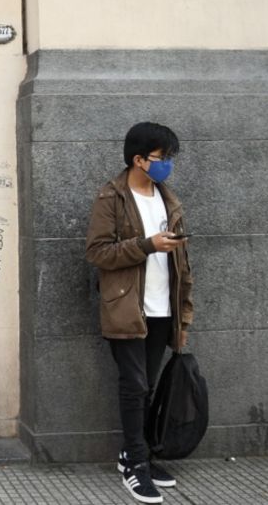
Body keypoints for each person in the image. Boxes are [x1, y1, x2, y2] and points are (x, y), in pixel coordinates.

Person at [84, 122, 194, 504]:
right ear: (138, 159)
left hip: (163, 309)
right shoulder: (111, 198)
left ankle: (138, 454)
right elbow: (97, 252)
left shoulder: (169, 199)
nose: (167, 165)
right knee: (135, 387)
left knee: (145, 387)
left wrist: (184, 313)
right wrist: (146, 245)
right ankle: (135, 464)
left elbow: (184, 265)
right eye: (162, 158)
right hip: (127, 308)